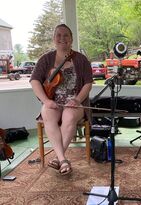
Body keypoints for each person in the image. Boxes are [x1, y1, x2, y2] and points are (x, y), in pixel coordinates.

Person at [30, 24, 93, 175]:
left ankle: (59, 158)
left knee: (69, 116)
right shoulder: (46, 59)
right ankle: (63, 159)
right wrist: (46, 101)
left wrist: (77, 100)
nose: (62, 38)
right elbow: (35, 81)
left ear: (71, 39)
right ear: (54, 39)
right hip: (53, 101)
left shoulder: (81, 59)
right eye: (58, 35)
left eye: (66, 35)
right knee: (48, 114)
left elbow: (88, 83)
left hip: (74, 101)